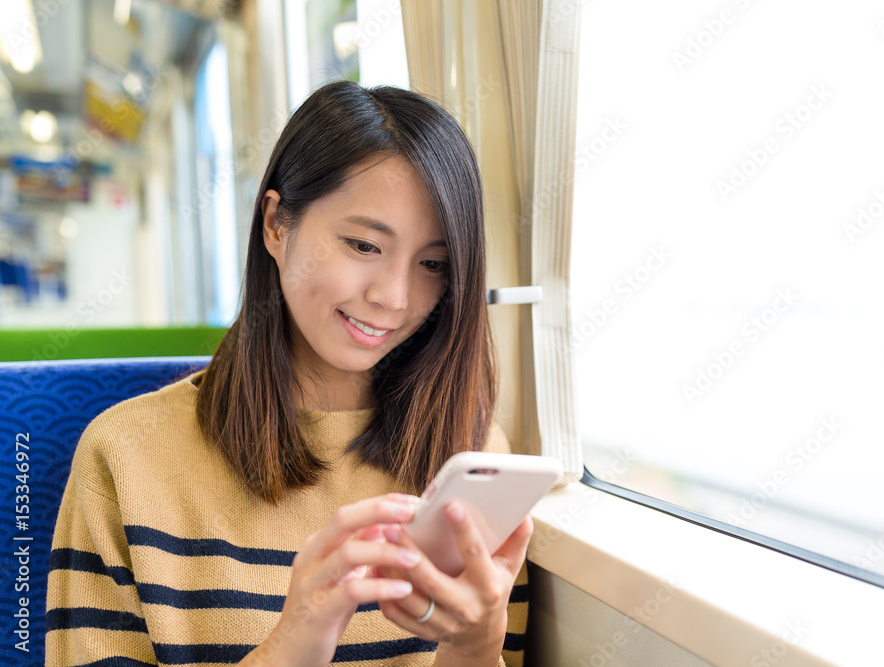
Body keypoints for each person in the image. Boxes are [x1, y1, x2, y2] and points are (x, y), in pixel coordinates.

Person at [45, 81, 531, 667]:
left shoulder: (471, 454)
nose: (394, 297)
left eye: (433, 264)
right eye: (363, 245)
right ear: (276, 225)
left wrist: (474, 647)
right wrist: (290, 645)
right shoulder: (123, 459)